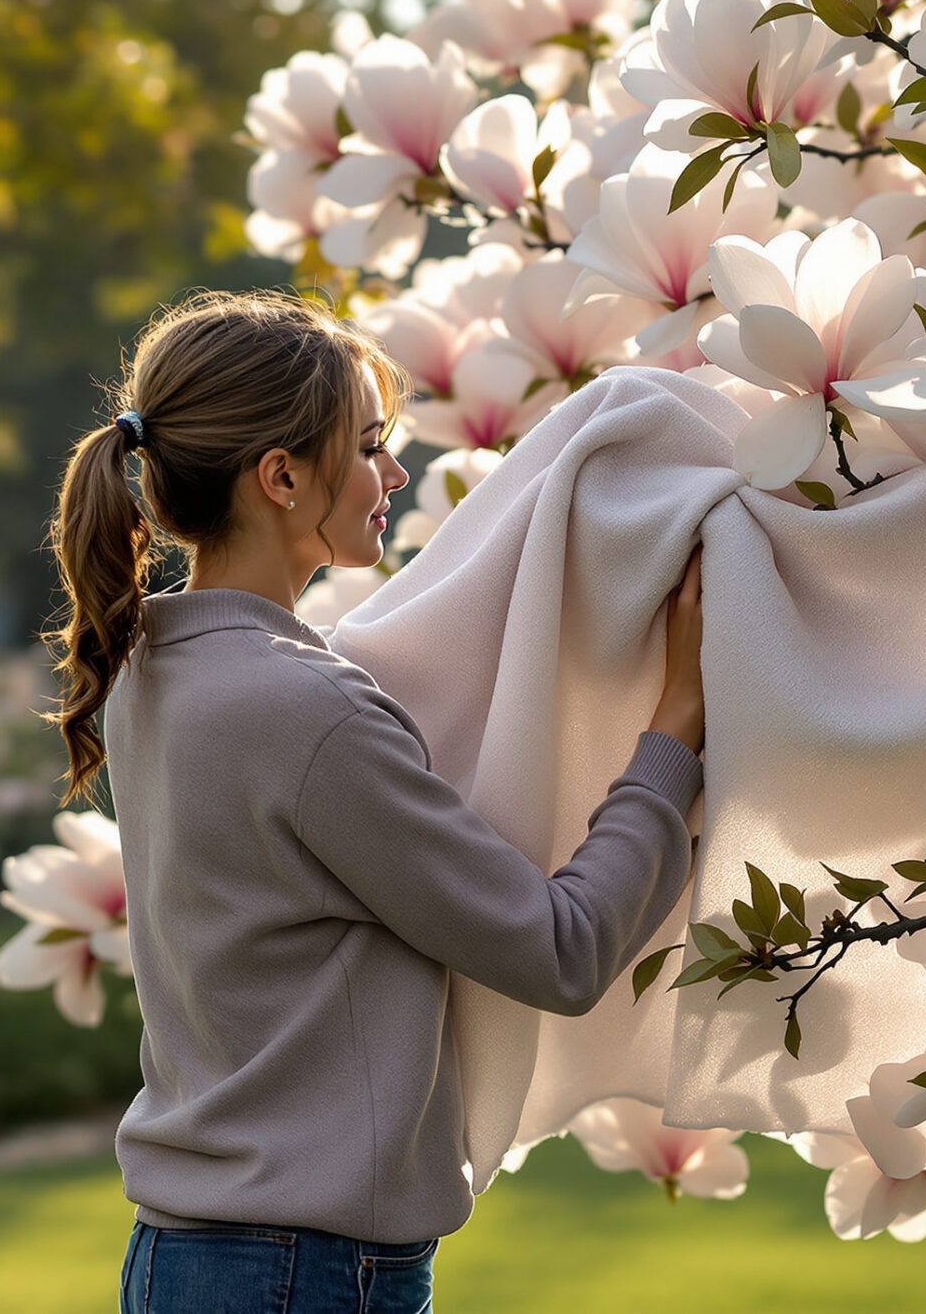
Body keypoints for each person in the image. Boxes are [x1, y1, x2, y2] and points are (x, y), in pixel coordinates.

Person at [45, 291, 707, 1314]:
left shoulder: (155, 667)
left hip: (194, 1255)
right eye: (368, 446)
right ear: (281, 477)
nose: (393, 473)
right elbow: (560, 949)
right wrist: (676, 725)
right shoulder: (302, 706)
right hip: (297, 1272)